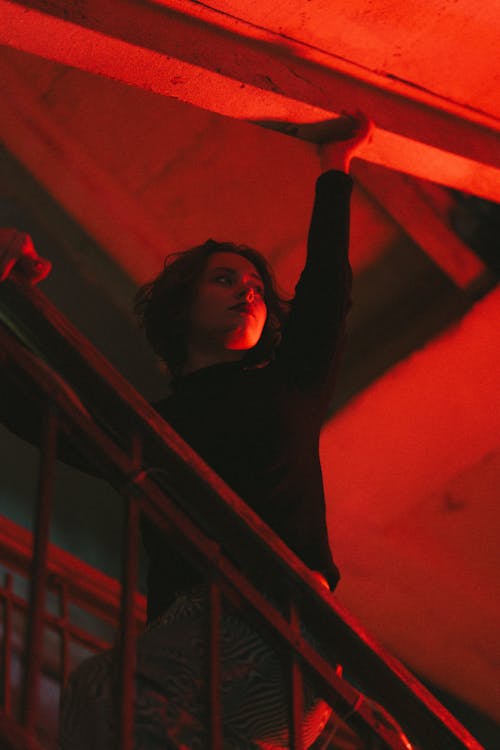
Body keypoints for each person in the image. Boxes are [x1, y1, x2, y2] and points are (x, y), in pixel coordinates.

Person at [0, 113, 376, 749]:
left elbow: (326, 293)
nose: (247, 293)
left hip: (284, 628)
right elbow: (35, 411)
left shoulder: (289, 387)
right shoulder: (152, 427)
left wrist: (335, 169)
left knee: (103, 693)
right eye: (224, 279)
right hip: (200, 639)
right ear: (182, 307)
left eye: (256, 286)